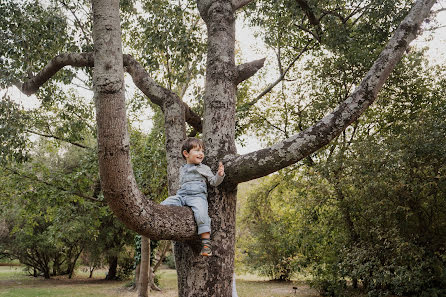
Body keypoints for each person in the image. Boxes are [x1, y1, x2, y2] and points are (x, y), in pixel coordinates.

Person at [161, 137, 225, 256]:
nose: (201, 154)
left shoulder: (204, 168)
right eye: (197, 150)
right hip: (182, 195)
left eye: (202, 151)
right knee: (166, 202)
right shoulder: (182, 168)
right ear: (186, 154)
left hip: (197, 197)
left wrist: (219, 175)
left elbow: (213, 181)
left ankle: (206, 244)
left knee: (201, 215)